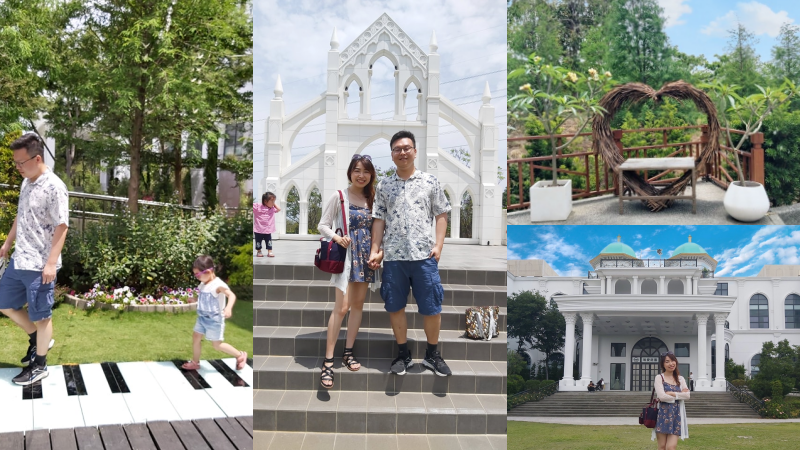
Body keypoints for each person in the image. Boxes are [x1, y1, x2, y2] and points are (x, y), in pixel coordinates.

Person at [368, 130, 452, 377]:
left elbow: (441, 214)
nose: (402, 152)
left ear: (415, 151)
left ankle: (432, 355)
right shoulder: (384, 186)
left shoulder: (430, 182)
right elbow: (379, 219)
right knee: (395, 306)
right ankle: (403, 354)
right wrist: (375, 250)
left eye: (406, 148)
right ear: (392, 154)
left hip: (424, 256)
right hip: (394, 258)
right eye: (397, 149)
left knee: (432, 307)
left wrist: (438, 246)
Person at [0, 134, 68, 385]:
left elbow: (62, 226)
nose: (17, 167)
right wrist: (8, 243)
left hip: (40, 265)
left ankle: (40, 365)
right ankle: (37, 339)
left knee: (42, 316)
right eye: (15, 163)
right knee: (4, 303)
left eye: (21, 162)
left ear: (37, 158)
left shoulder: (55, 187)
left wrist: (51, 263)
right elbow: (21, 215)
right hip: (20, 259)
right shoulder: (26, 183)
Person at [317, 154, 383, 389]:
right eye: (357, 170)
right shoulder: (340, 196)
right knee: (342, 307)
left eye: (366, 171)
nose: (361, 175)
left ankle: (348, 352)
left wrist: (379, 253)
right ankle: (328, 360)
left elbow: (380, 230)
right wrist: (337, 238)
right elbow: (322, 225)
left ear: (371, 175)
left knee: (357, 305)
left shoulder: (374, 199)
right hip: (346, 258)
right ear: (350, 173)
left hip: (366, 259)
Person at [182, 255, 247, 371]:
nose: (196, 277)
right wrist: (195, 299)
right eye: (195, 274)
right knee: (196, 337)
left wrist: (228, 308)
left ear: (208, 271)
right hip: (202, 318)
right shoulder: (203, 284)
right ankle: (195, 362)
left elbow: (231, 295)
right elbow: (203, 297)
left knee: (217, 345)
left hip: (214, 320)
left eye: (197, 274)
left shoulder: (218, 285)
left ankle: (240, 355)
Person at [653, 351, 690, 448]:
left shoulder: (680, 379)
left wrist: (671, 393)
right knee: (662, 447)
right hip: (662, 415)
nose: (671, 363)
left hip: (676, 416)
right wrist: (679, 395)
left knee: (670, 447)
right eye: (667, 361)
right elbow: (662, 396)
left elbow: (687, 396)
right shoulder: (659, 378)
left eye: (673, 360)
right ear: (663, 364)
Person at [253, 192, 279, 257]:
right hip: (258, 229)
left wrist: (273, 204)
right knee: (258, 241)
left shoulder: (272, 209)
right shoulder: (258, 207)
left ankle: (270, 252)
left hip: (268, 229)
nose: (273, 203)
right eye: (272, 201)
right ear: (265, 201)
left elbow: (279, 209)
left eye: (274, 201)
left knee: (269, 241)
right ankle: (259, 251)